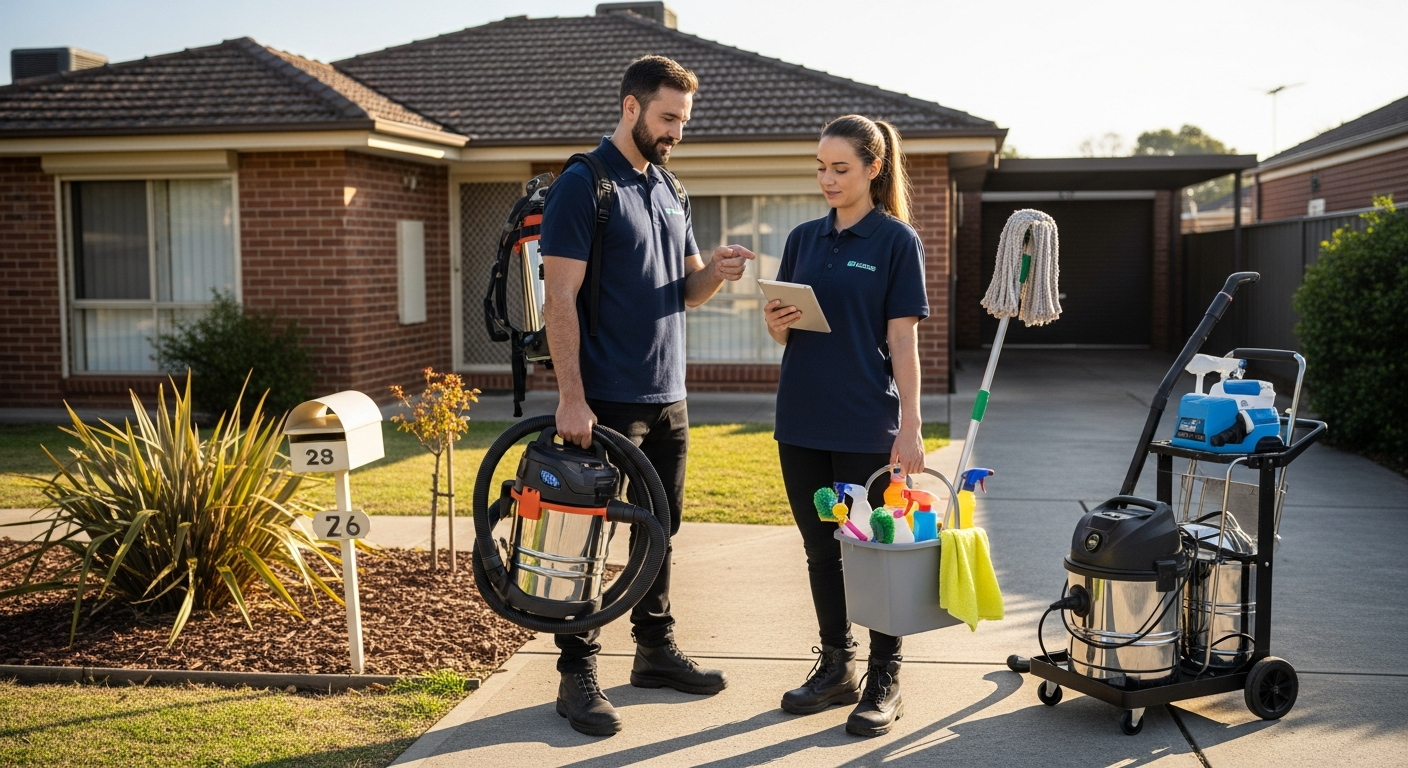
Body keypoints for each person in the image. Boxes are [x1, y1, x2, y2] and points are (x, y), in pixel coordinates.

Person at [538, 55, 755, 737]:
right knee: (585, 533)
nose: (676, 133)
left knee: (661, 529)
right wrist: (572, 398)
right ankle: (576, 673)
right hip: (604, 399)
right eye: (667, 118)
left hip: (668, 394)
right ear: (630, 107)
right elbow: (559, 298)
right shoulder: (584, 184)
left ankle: (654, 651)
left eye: (683, 121)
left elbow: (688, 291)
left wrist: (716, 271)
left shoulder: (669, 188)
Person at [763, 114, 928, 737]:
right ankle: (837, 666)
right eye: (820, 168)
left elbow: (903, 342)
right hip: (800, 419)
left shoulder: (896, 241)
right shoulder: (803, 239)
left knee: (875, 553)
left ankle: (886, 676)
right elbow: (786, 336)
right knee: (820, 550)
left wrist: (910, 426)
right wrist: (775, 322)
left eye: (840, 168)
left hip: (865, 423)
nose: (828, 179)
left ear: (873, 169)